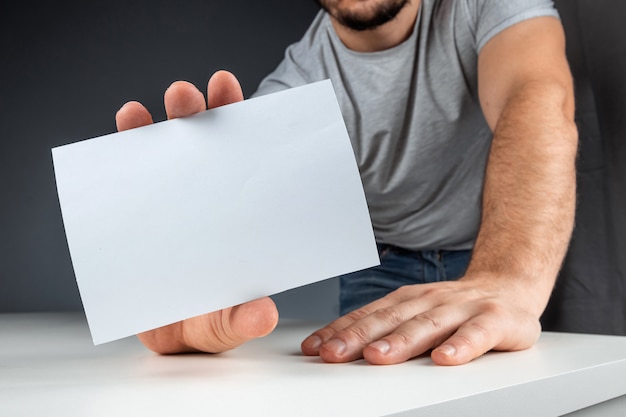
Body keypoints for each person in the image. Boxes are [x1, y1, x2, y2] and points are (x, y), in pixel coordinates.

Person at [115, 0, 577, 366]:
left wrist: (506, 279)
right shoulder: (297, 83)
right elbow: (230, 201)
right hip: (382, 273)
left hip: (503, 253)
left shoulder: (485, 6)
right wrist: (184, 293)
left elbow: (536, 100)